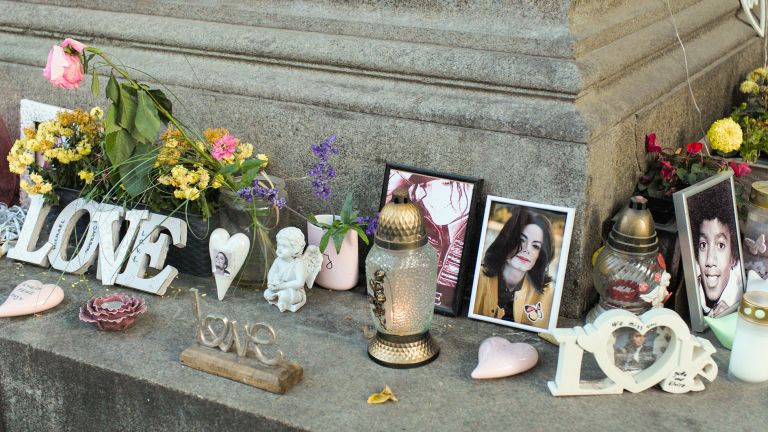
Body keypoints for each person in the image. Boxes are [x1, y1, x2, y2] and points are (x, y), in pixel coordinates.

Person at [387, 170, 473, 308]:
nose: (421, 195)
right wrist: (403, 176)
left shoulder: (476, 234)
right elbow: (384, 212)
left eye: (445, 183)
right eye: (421, 186)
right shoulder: (417, 220)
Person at [472, 206, 555, 328]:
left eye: (536, 246)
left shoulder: (547, 292)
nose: (526, 249)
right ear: (507, 240)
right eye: (521, 240)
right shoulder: (479, 279)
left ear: (540, 256)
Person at [687, 181, 744, 318]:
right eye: (703, 245)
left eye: (720, 245)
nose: (710, 260)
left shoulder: (739, 293)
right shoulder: (692, 286)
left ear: (733, 257)